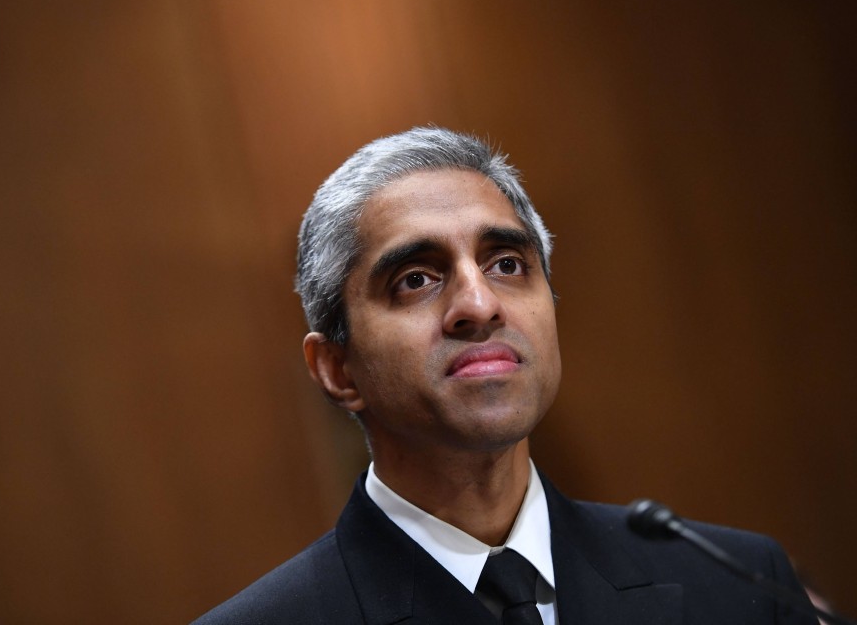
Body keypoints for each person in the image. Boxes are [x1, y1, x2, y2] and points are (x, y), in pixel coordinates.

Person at [194, 127, 817, 624]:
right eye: (416, 279)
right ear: (337, 369)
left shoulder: (739, 586)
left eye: (507, 264)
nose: (479, 303)